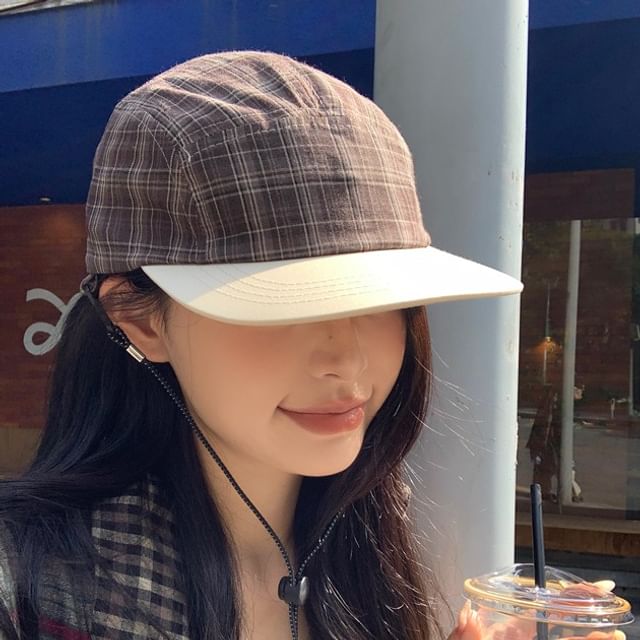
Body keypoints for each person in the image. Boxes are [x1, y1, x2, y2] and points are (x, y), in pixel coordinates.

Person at [0, 51, 524, 639]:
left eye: (381, 299)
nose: (346, 361)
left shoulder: (373, 555)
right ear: (140, 320)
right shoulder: (28, 592)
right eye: (283, 304)